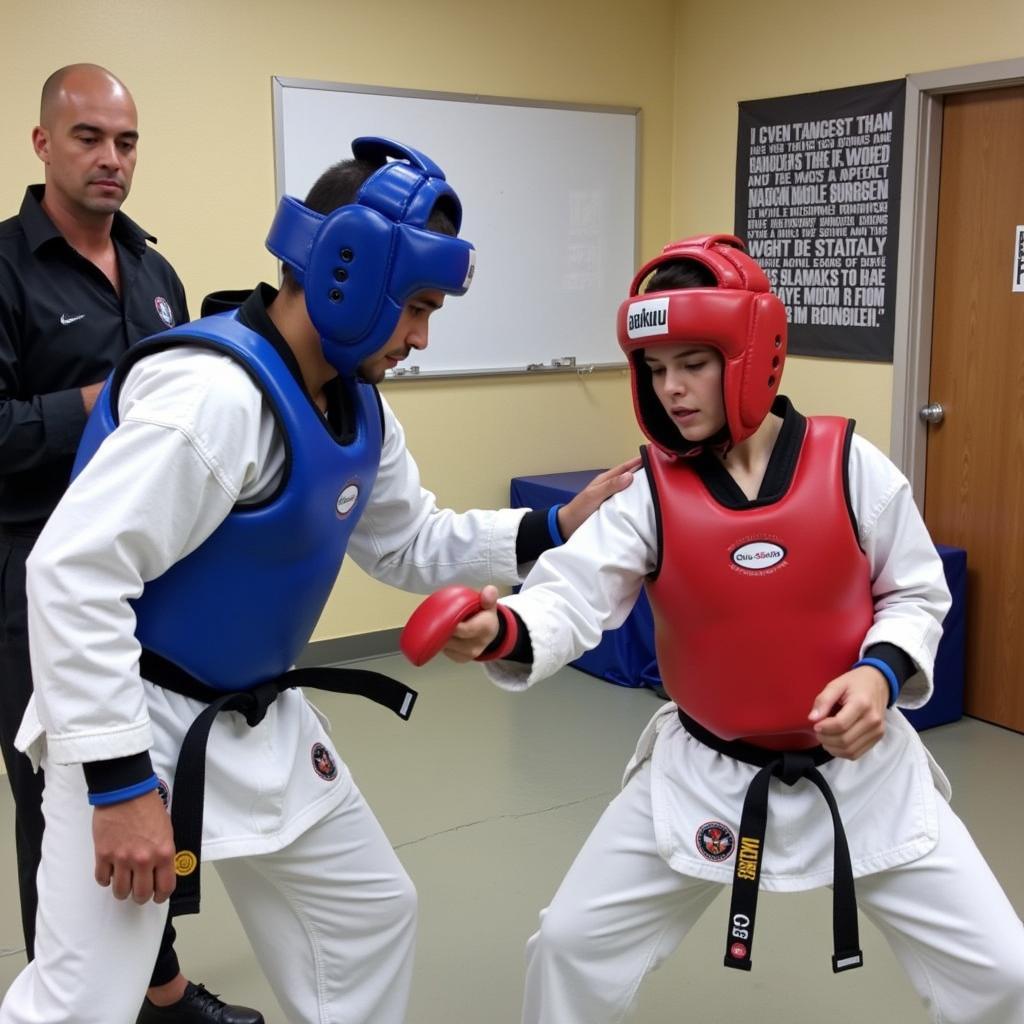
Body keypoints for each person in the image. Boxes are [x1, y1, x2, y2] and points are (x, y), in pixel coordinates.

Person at [0, 135, 634, 1024]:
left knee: (368, 915)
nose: (418, 338)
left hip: (261, 715)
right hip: (135, 721)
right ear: (349, 271)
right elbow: (69, 574)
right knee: (84, 1000)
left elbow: (409, 541)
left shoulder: (356, 402)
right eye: (415, 307)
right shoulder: (212, 401)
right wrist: (118, 787)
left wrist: (555, 525)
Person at [410, 234, 1024, 1023]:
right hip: (703, 771)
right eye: (655, 369)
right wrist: (501, 629)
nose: (672, 390)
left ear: (751, 352)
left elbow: (916, 591)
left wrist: (877, 674)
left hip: (866, 777)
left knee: (1005, 972)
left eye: (692, 363)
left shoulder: (851, 464)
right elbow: (573, 593)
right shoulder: (649, 493)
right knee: (567, 946)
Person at [0, 64, 263, 1024]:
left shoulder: (156, 273)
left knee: (148, 784)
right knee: (60, 801)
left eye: (126, 141)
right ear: (41, 145)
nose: (111, 159)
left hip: (148, 581)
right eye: (88, 139)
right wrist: (103, 407)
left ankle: (160, 990)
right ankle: (70, 999)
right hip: (34, 578)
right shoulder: (4, 270)